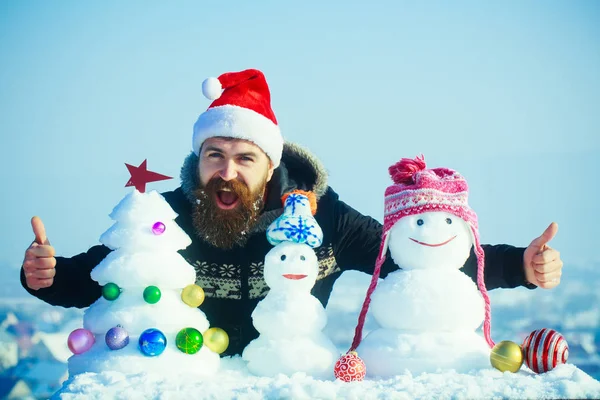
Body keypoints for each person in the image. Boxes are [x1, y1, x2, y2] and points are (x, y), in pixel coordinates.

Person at [20, 68, 564, 356]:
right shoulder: (163, 217)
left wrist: (521, 266)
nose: (227, 172)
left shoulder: (324, 217)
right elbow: (97, 276)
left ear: (270, 166)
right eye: (215, 155)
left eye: (243, 158)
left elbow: (414, 259)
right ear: (198, 160)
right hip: (192, 378)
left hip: (287, 377)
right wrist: (46, 276)